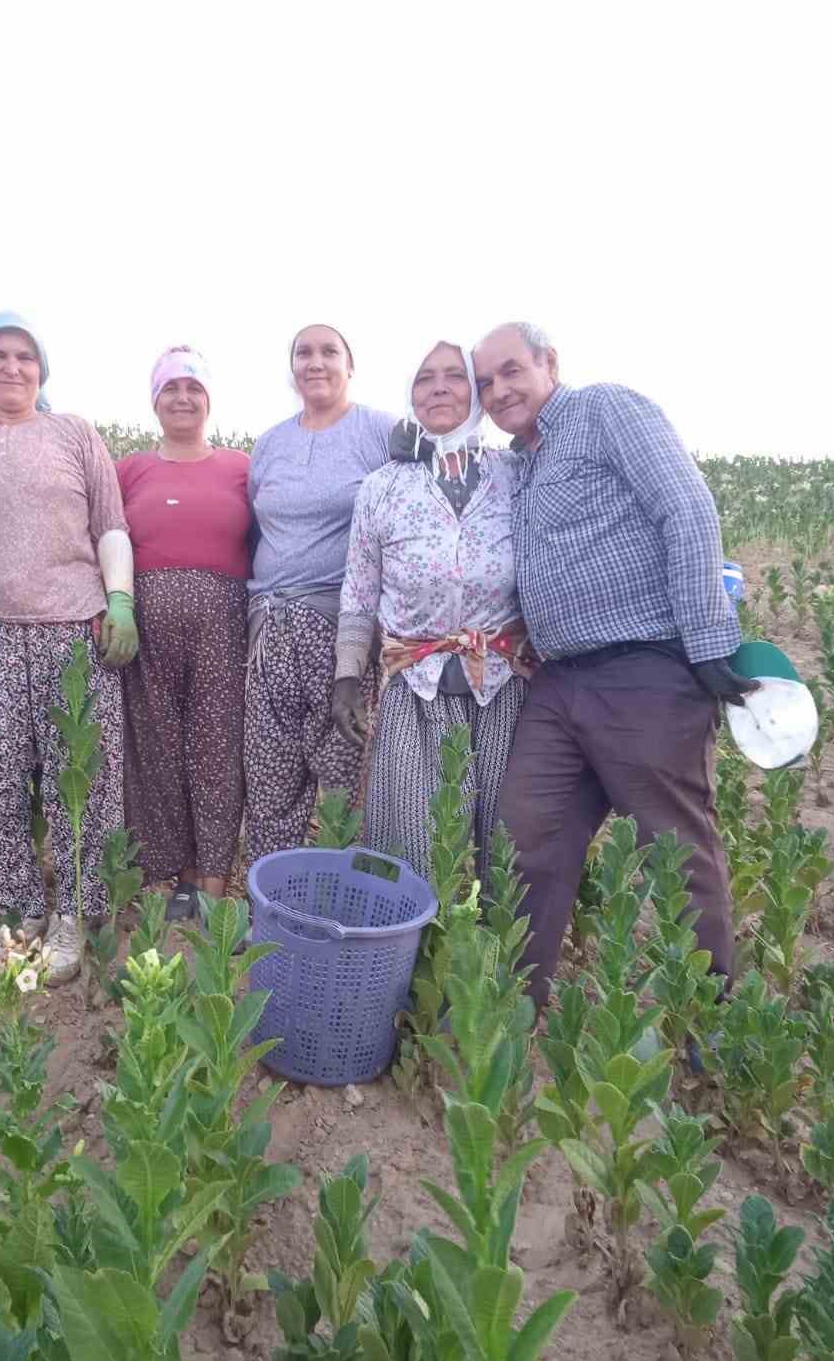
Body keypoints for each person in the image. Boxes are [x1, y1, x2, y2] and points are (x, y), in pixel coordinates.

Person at [472, 321, 755, 1009]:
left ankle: (710, 1021)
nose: (498, 390)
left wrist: (710, 637)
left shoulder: (606, 410)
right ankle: (509, 1006)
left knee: (674, 851)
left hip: (642, 671)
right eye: (486, 383)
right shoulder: (522, 460)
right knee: (522, 840)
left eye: (511, 370)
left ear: (549, 363)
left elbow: (684, 505)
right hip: (559, 683)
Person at [0, 311, 137, 983]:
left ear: (43, 370)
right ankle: (12, 909)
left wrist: (119, 598)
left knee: (82, 773)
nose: (11, 368)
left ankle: (73, 909)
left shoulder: (74, 434)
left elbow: (110, 527)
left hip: (73, 627)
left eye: (24, 357)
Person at [334, 341, 533, 880]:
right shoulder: (384, 487)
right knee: (408, 847)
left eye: (455, 376)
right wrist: (347, 677)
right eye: (425, 378)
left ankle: (488, 960)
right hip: (413, 689)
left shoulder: (516, 475)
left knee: (503, 849)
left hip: (503, 687)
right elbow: (359, 593)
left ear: (478, 393)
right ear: (411, 396)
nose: (440, 387)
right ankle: (410, 958)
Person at [244, 324, 394, 859]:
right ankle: (272, 916)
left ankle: (336, 915)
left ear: (350, 366)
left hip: (341, 635)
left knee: (343, 787)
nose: (316, 362)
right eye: (303, 353)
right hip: (269, 631)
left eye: (329, 351)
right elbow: (255, 524)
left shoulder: (381, 430)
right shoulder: (271, 444)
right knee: (270, 780)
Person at [117, 347, 251, 918]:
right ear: (154, 400)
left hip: (224, 619)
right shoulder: (130, 470)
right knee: (157, 749)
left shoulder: (242, 467)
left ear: (209, 399)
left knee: (218, 747)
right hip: (146, 625)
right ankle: (178, 873)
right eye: (171, 388)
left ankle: (213, 879)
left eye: (193, 388)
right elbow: (103, 540)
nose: (183, 398)